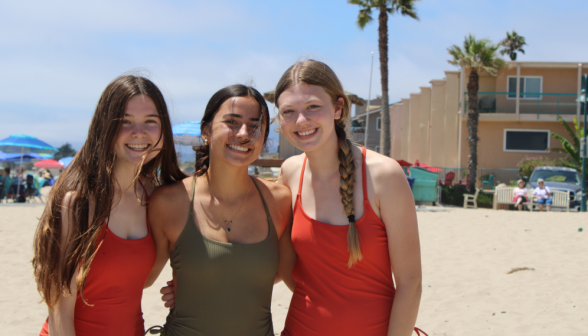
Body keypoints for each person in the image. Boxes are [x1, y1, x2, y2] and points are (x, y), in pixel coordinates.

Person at [275, 60, 423, 336]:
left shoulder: (384, 175)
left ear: (338, 108)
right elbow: (280, 264)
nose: (301, 121)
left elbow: (410, 283)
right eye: (288, 112)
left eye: (312, 107)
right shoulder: (289, 172)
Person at [33, 74, 186, 336]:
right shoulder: (78, 202)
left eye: (150, 121)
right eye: (125, 121)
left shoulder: (156, 197)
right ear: (105, 127)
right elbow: (59, 312)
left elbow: (144, 280)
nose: (139, 133)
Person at [147, 84, 291, 335]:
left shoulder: (280, 201)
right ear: (206, 131)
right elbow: (140, 276)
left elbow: (285, 272)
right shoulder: (170, 201)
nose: (244, 133)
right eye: (232, 122)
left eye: (255, 125)